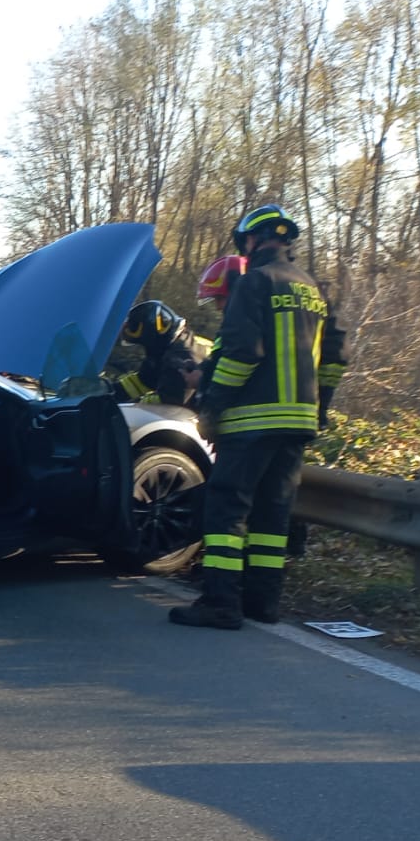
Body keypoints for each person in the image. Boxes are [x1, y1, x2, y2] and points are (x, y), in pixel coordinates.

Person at [170, 205, 346, 630]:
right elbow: (337, 359)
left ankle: (220, 603)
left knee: (226, 511)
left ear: (249, 240)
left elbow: (242, 354)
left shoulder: (253, 283)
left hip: (251, 421)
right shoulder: (315, 289)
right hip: (298, 421)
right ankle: (261, 603)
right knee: (272, 514)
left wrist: (213, 405)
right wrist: (318, 407)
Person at [110, 300, 208, 407]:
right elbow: (143, 381)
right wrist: (108, 391)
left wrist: (130, 407)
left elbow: (169, 403)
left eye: (144, 344)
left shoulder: (180, 359)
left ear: (151, 338)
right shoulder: (171, 346)